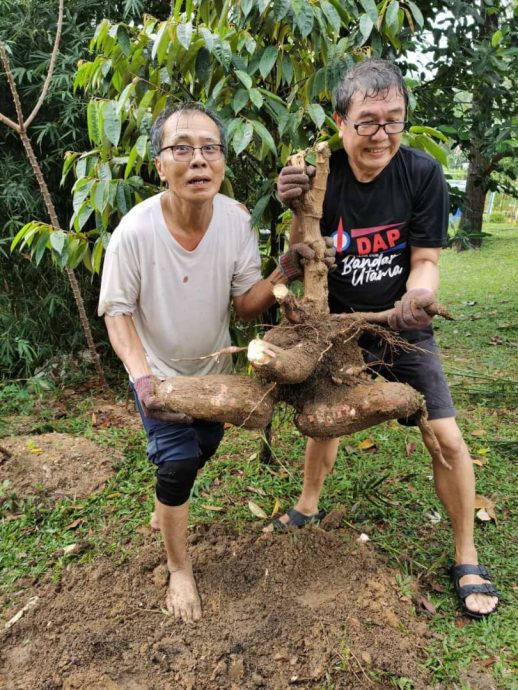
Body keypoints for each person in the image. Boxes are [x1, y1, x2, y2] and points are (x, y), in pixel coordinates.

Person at [272, 59, 498, 619]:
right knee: (328, 417)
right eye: (368, 122)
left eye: (393, 121)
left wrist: (417, 298)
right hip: (336, 326)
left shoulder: (422, 174)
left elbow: (425, 260)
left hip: (401, 327)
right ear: (340, 120)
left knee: (444, 436)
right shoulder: (318, 173)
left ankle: (466, 553)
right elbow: (303, 260)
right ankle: (308, 505)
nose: (382, 135)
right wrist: (294, 207)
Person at [98, 102, 334, 623]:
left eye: (209, 148)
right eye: (181, 148)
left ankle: (168, 508)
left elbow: (244, 303)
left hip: (216, 378)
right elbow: (117, 314)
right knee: (178, 463)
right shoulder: (134, 233)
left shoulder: (234, 220)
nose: (198, 160)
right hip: (159, 376)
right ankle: (180, 568)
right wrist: (143, 380)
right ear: (160, 164)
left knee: (200, 451)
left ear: (223, 162)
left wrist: (286, 268)